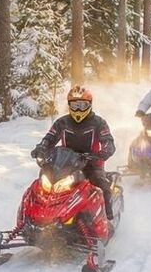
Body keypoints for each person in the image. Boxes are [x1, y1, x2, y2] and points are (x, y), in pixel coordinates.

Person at [30, 85, 116, 220]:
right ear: (69, 105)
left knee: (101, 186)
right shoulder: (62, 123)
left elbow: (107, 141)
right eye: (75, 105)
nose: (78, 110)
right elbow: (49, 138)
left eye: (82, 105)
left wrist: (104, 151)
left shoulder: (99, 123)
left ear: (89, 104)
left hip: (91, 164)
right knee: (43, 185)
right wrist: (41, 148)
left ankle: (107, 218)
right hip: (65, 164)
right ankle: (34, 215)